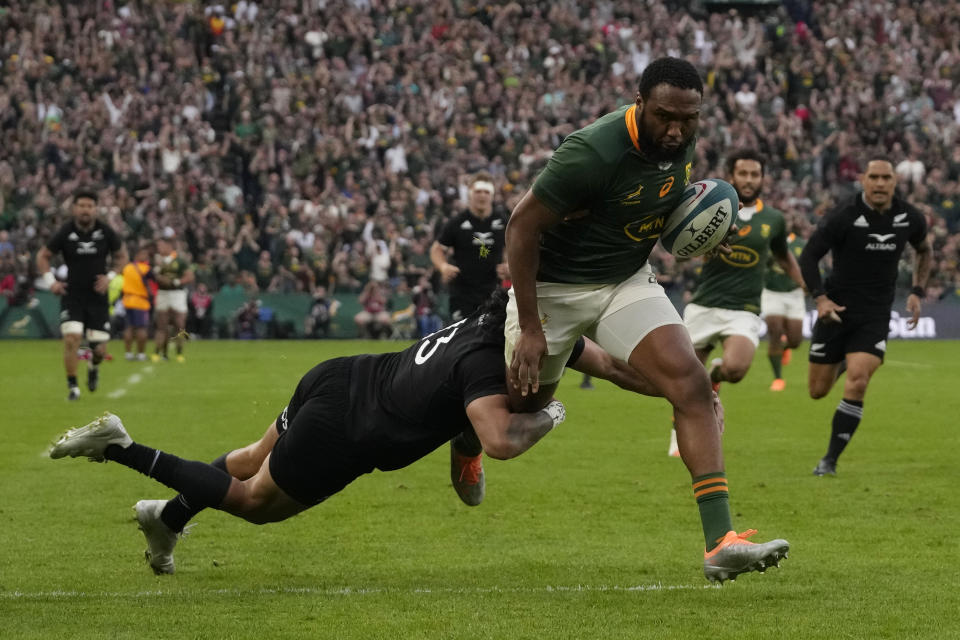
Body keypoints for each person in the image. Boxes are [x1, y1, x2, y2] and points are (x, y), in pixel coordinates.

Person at [503, 57, 788, 580]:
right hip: (554, 290)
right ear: (639, 105)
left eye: (689, 119)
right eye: (664, 117)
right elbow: (520, 229)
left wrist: (702, 224)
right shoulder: (590, 152)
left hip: (624, 280)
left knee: (693, 386)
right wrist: (532, 328)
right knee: (518, 414)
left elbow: (663, 204)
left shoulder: (680, 139)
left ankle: (720, 541)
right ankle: (475, 427)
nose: (676, 130)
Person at [49, 291, 569, 576]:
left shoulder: (489, 319)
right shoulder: (484, 370)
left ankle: (169, 517)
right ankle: (122, 448)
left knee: (252, 457)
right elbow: (493, 448)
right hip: (348, 428)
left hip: (338, 374)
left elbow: (599, 358)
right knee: (254, 502)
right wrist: (553, 413)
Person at [799, 158, 931, 476]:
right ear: (864, 180)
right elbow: (809, 256)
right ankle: (844, 360)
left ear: (895, 181)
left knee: (858, 382)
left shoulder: (910, 217)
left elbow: (924, 250)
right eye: (874, 177)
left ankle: (829, 460)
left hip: (875, 314)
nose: (881, 183)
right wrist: (820, 299)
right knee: (817, 391)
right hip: (837, 313)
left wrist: (917, 290)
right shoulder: (844, 215)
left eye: (887, 178)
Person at [668, 149, 804, 454]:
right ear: (731, 175)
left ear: (763, 179)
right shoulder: (711, 209)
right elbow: (683, 251)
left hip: (744, 309)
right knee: (681, 379)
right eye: (743, 173)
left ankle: (715, 378)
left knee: (736, 369)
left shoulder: (774, 219)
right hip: (705, 305)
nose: (749, 179)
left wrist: (808, 287)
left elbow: (784, 257)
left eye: (755, 174)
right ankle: (679, 433)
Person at [431, 173, 514, 484]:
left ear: (491, 196)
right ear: (470, 195)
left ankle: (484, 393)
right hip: (462, 294)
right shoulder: (457, 222)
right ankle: (455, 391)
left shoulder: (501, 221)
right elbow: (437, 249)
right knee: (459, 345)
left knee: (490, 348)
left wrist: (509, 263)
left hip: (492, 296)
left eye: (485, 192)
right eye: (477, 192)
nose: (481, 197)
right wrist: (442, 267)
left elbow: (515, 245)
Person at [36, 189, 127, 400]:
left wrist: (110, 275)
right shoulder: (65, 232)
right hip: (72, 295)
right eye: (82, 206)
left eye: (90, 206)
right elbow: (43, 256)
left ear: (96, 209)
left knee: (99, 351)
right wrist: (51, 282)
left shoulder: (105, 231)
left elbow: (121, 255)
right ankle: (73, 387)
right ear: (74, 208)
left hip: (97, 298)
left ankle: (93, 368)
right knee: (72, 338)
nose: (86, 210)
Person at [761, 215, 808, 391]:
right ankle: (778, 378)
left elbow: (808, 266)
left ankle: (786, 347)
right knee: (774, 332)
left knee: (796, 341)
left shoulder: (801, 244)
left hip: (794, 293)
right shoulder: (767, 243)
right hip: (772, 292)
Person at [151, 235, 194, 362]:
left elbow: (190, 276)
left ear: (169, 246)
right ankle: (159, 353)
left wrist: (177, 282)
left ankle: (179, 353)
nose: (158, 248)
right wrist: (159, 275)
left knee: (179, 324)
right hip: (163, 293)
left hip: (177, 294)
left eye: (161, 245)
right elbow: (155, 276)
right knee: (162, 325)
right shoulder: (158, 261)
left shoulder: (179, 260)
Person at [121, 243, 155, 361]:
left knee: (129, 328)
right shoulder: (145, 268)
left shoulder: (126, 268)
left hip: (127, 301)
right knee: (141, 328)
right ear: (137, 255)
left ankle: (128, 353)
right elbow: (156, 279)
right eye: (144, 254)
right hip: (140, 302)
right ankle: (141, 354)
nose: (146, 256)